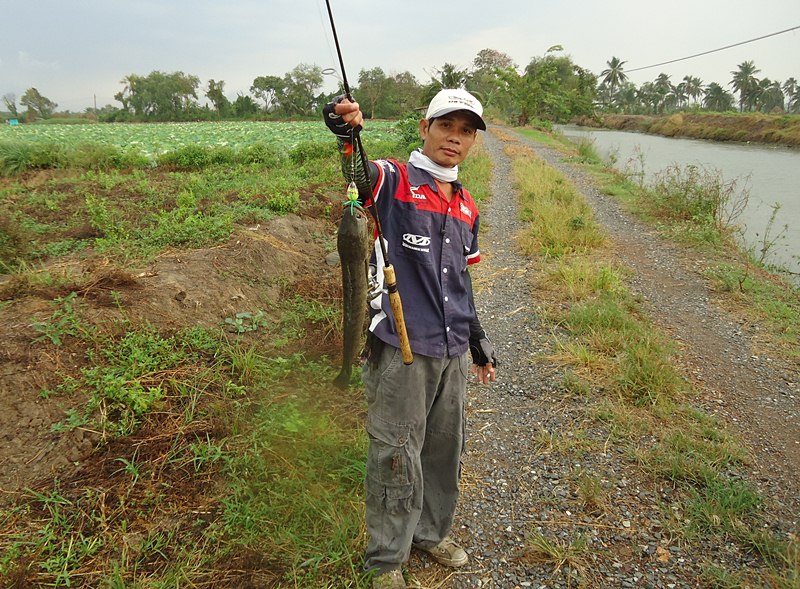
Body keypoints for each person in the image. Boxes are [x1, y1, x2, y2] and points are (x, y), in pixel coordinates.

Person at [323, 88, 498, 589]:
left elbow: (461, 284)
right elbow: (357, 175)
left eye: (466, 132)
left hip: (452, 352)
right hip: (402, 349)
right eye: (447, 127)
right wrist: (345, 129)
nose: (455, 139)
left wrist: (479, 345)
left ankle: (430, 533)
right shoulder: (395, 181)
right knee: (396, 451)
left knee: (444, 448)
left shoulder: (466, 205)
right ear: (426, 128)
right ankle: (386, 560)